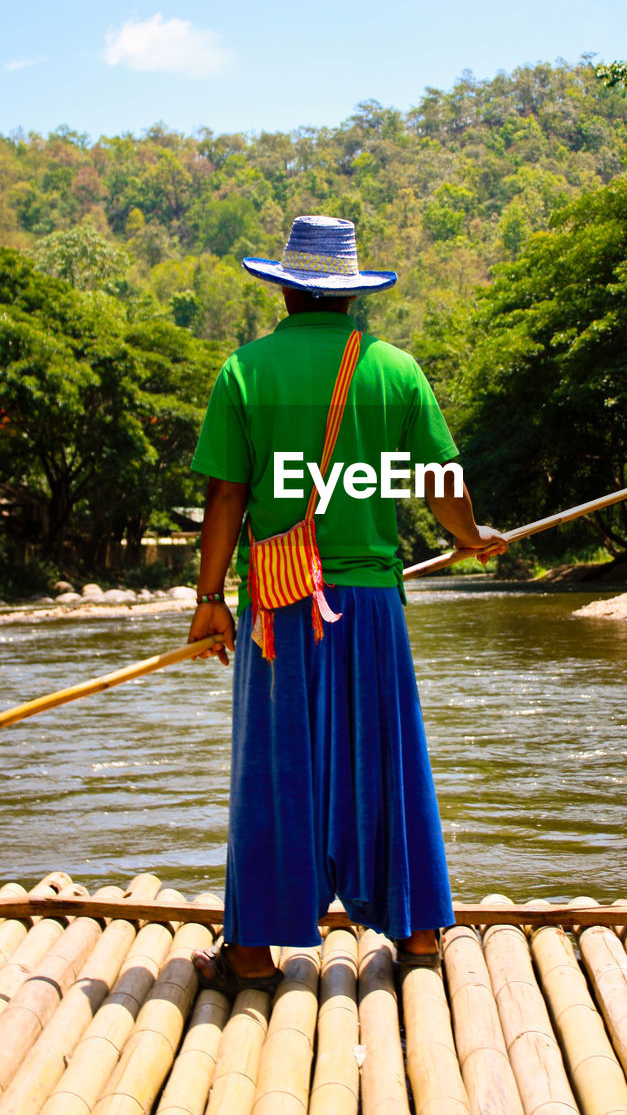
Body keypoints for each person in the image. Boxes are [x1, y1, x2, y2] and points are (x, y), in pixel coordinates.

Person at [187, 215, 506, 994]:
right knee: (386, 761)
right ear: (351, 295)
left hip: (277, 601)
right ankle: (421, 935)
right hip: (367, 603)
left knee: (273, 768)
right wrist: (470, 538)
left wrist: (207, 599)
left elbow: (227, 493)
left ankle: (253, 955)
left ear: (286, 288)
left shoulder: (244, 370)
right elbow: (438, 481)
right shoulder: (395, 371)